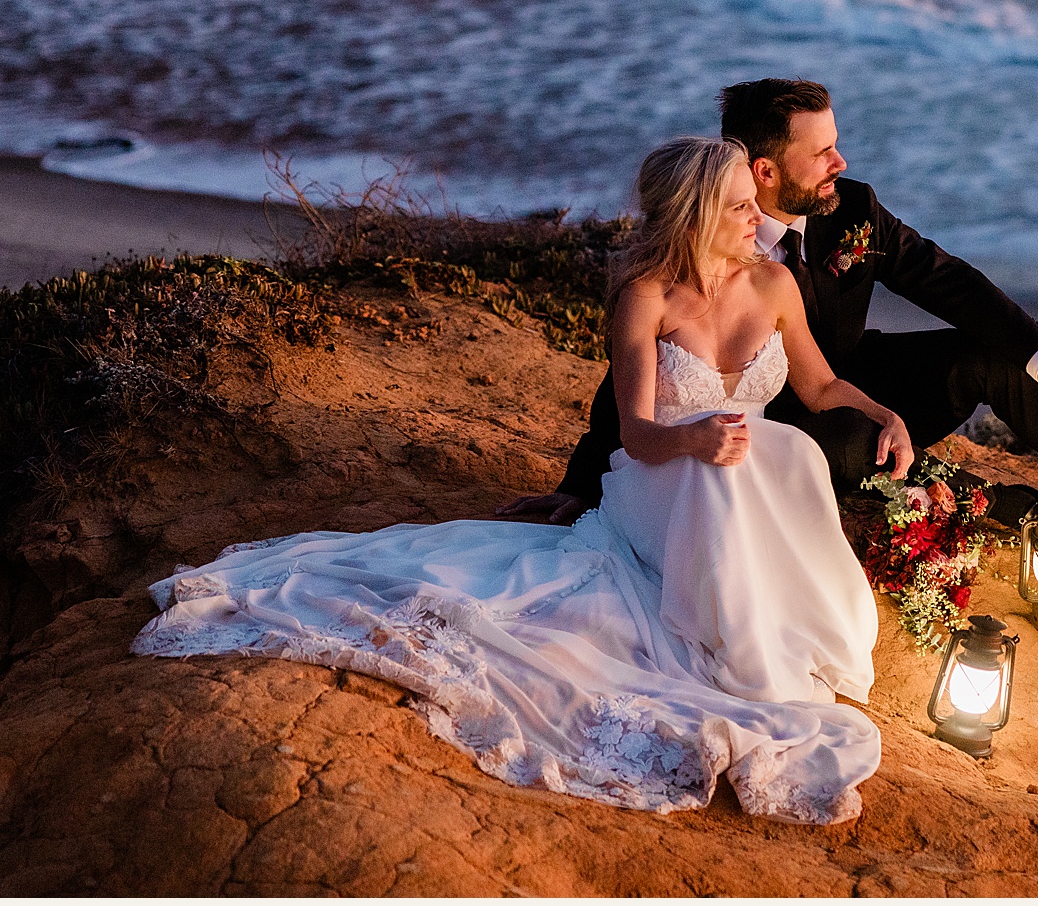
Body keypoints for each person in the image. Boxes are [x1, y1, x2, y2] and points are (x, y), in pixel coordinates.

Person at [133, 136, 889, 825]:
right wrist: (693, 437)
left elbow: (821, 390)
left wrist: (886, 415)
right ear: (695, 215)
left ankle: (772, 619)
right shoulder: (647, 296)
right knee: (715, 473)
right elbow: (635, 434)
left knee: (788, 448)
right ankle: (736, 635)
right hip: (660, 477)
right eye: (739, 206)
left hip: (744, 481)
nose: (758, 215)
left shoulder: (774, 287)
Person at [502, 78, 1038, 566]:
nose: (838, 161)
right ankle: (1019, 510)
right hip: (760, 437)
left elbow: (948, 281)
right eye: (819, 152)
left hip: (839, 386)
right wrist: (586, 481)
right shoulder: (695, 252)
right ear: (760, 171)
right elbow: (647, 369)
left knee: (985, 355)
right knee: (848, 443)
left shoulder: (851, 210)